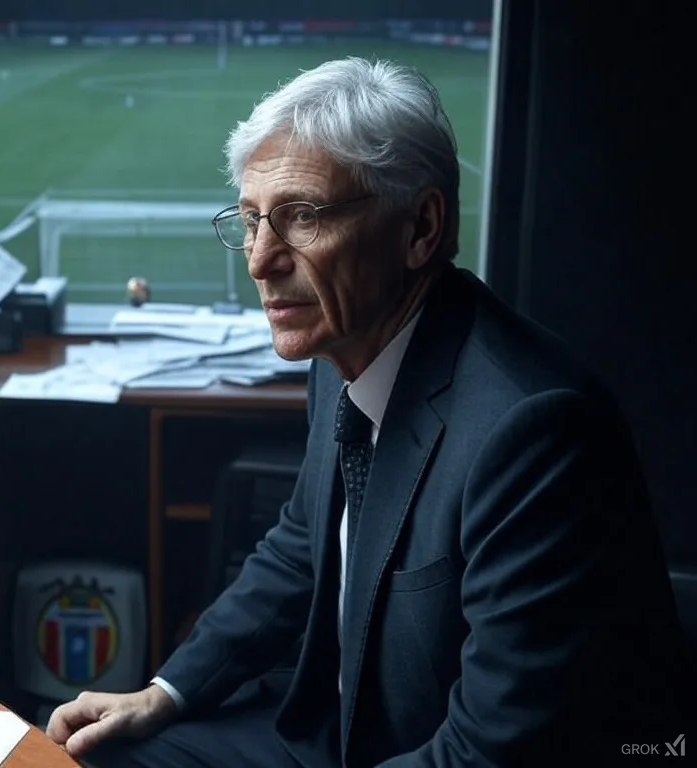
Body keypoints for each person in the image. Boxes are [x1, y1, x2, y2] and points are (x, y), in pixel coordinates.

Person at [46, 57, 693, 767]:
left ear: (420, 227)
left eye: (301, 217)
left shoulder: (535, 431)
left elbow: (492, 750)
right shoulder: (347, 342)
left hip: (437, 752)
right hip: (335, 729)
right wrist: (164, 692)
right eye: (253, 219)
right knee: (87, 758)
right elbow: (301, 546)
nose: (260, 261)